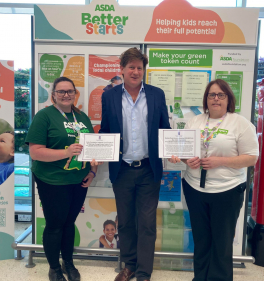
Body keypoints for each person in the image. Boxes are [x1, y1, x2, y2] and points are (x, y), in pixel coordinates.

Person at [169, 79, 259, 281]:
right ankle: (200, 278)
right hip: (195, 189)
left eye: (221, 95)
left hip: (227, 191)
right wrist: (185, 159)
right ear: (206, 99)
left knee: (222, 242)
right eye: (212, 95)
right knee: (201, 240)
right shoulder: (196, 121)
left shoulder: (240, 123)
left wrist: (221, 161)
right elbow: (183, 151)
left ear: (228, 99)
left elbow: (252, 157)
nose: (216, 99)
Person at [99, 47, 171, 281]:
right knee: (126, 221)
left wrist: (173, 149)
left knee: (148, 223)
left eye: (140, 68)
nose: (136, 71)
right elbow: (106, 130)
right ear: (122, 69)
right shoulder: (109, 96)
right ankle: (129, 265)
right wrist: (95, 150)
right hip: (122, 170)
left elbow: (164, 129)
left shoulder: (156, 94)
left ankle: (144, 271)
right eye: (131, 67)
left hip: (149, 169)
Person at [26, 76, 98, 281]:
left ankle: (68, 263)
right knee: (55, 224)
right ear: (53, 96)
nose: (66, 95)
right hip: (52, 180)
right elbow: (35, 152)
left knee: (69, 223)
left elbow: (91, 148)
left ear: (75, 94)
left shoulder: (82, 117)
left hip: (79, 180)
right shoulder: (44, 116)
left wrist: (92, 172)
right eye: (61, 91)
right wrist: (65, 153)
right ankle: (54, 268)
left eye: (70, 91)